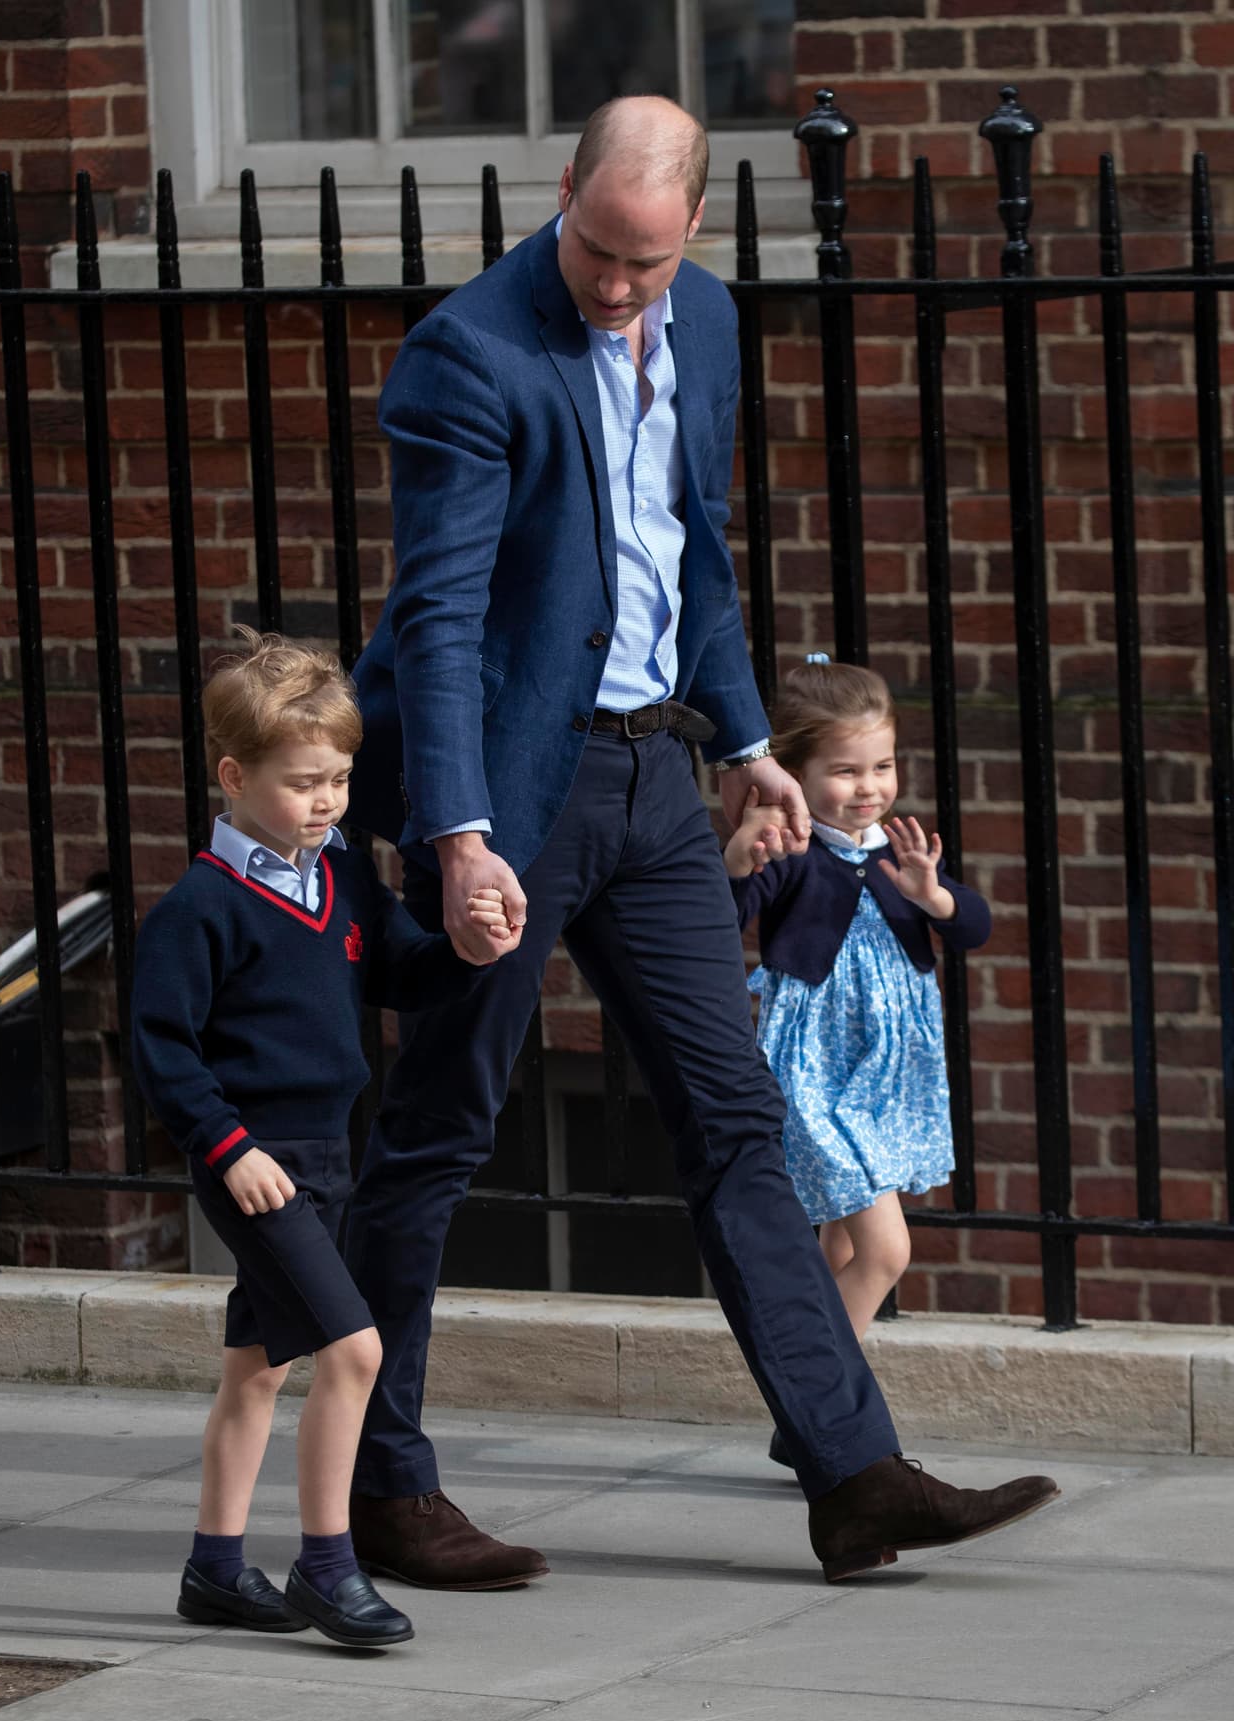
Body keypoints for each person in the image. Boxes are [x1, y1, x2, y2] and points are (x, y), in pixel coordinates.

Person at [344, 95, 1058, 1588]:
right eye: (601, 252)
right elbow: (445, 619)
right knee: (441, 1133)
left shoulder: (711, 324)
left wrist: (746, 748)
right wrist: (460, 837)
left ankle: (853, 1475)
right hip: (515, 802)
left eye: (648, 264)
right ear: (565, 199)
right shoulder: (470, 354)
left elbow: (700, 549)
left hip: (658, 781)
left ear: (697, 236)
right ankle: (378, 1485)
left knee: (735, 1122)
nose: (618, 287)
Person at [131, 629, 508, 1646]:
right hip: (257, 1168)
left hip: (326, 1155)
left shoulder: (338, 875)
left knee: (255, 1367)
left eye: (339, 779)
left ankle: (214, 1568)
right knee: (354, 1350)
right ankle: (326, 1567)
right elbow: (162, 1051)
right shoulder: (199, 910)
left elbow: (399, 971)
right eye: (304, 783)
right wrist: (227, 1148)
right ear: (233, 776)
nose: (330, 800)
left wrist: (464, 952)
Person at [724, 655, 990, 1467]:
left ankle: (801, 1422)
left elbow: (972, 928)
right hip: (815, 1068)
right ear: (796, 773)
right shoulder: (793, 849)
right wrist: (740, 860)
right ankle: (821, 1416)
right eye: (843, 770)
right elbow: (727, 917)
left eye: (881, 766)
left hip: (888, 1076)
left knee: (841, 1248)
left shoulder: (900, 853)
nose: (868, 787)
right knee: (884, 1251)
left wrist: (932, 895)